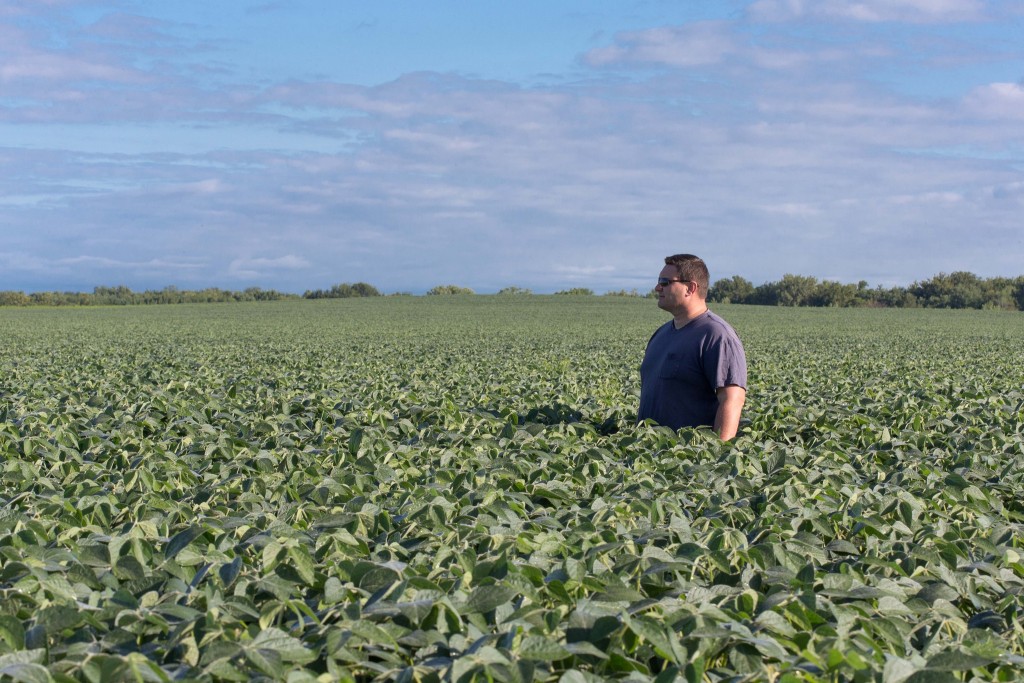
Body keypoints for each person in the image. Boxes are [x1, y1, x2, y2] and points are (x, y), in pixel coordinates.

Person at [638, 254, 747, 440]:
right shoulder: (661, 334)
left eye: (665, 282)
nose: (657, 288)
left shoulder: (717, 335)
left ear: (690, 288)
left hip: (687, 455)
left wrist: (717, 452)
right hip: (648, 453)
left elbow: (732, 400)